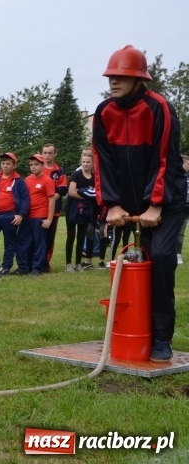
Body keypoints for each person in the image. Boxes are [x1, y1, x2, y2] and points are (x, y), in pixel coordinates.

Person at [92, 45, 187, 362]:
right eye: (111, 77)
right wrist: (112, 205)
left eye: (121, 77)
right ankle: (137, 329)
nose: (114, 82)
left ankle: (161, 338)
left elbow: (165, 159)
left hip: (166, 203)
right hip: (130, 204)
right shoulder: (104, 112)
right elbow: (101, 161)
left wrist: (156, 205)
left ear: (138, 79)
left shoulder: (159, 107)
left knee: (160, 257)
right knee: (135, 263)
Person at [0, 152, 30, 275]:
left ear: (14, 165)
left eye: (8, 163)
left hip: (11, 215)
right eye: (3, 163)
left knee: (9, 242)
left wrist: (21, 214)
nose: (5, 166)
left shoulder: (18, 180)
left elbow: (25, 198)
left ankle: (6, 266)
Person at [23, 154, 55, 276]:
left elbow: (51, 200)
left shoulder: (47, 180)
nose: (33, 167)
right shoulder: (27, 180)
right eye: (31, 165)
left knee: (39, 242)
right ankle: (29, 265)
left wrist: (49, 219)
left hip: (40, 215)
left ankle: (38, 267)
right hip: (28, 216)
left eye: (36, 165)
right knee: (28, 242)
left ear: (42, 165)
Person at [65, 154, 97, 272]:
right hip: (72, 209)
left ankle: (78, 264)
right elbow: (72, 192)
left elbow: (96, 193)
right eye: (83, 162)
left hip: (86, 211)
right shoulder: (76, 174)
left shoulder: (94, 177)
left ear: (92, 163)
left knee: (81, 236)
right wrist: (87, 196)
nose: (85, 164)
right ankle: (68, 264)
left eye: (88, 162)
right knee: (71, 236)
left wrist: (86, 195)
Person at [41, 143, 68, 268]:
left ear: (55, 154)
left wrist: (51, 199)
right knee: (37, 237)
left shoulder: (59, 170)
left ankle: (46, 263)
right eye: (45, 153)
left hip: (54, 211)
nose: (47, 155)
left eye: (50, 153)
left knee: (49, 238)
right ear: (42, 154)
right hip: (37, 210)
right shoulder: (38, 168)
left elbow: (62, 189)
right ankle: (35, 262)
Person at [175, 154, 189, 265]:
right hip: (178, 207)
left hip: (186, 208)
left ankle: (178, 254)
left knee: (181, 232)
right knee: (175, 231)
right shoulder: (176, 176)